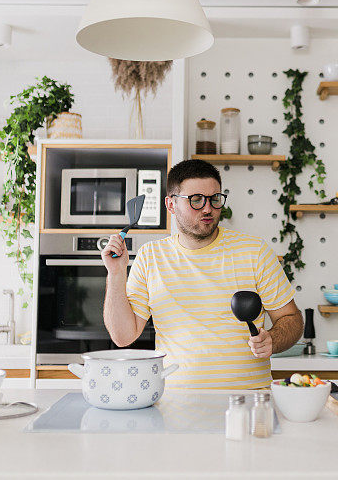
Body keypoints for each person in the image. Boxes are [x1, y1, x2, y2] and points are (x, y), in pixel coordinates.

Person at [101, 159, 303, 389]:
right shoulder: (150, 257)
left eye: (214, 199)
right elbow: (123, 336)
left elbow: (292, 320)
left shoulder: (254, 252)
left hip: (249, 403)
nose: (208, 208)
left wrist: (273, 340)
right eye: (196, 200)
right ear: (170, 205)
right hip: (176, 406)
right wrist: (116, 274)